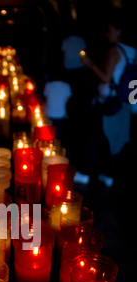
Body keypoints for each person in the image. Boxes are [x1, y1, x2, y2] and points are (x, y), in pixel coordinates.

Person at [79, 8, 131, 187]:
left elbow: (105, 77)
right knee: (115, 138)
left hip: (108, 101)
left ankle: (85, 174)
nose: (107, 33)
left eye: (110, 29)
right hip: (124, 102)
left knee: (95, 135)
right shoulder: (132, 51)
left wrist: (90, 64)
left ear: (119, 30)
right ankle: (108, 175)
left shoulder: (114, 50)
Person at [42, 67, 72, 146]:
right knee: (58, 136)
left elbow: (46, 97)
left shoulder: (48, 85)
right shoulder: (66, 86)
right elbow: (67, 100)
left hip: (49, 114)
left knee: (49, 135)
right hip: (61, 115)